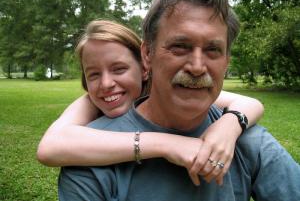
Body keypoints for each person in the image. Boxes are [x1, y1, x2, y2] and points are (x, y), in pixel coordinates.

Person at [58, 0, 300, 200]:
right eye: (180, 46)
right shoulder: (90, 162)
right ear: (147, 54)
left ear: (227, 61)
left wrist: (232, 123)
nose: (197, 67)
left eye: (212, 50)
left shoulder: (249, 142)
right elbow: (53, 145)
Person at [37, 19, 264, 185]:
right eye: (93, 74)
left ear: (145, 67)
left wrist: (228, 127)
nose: (106, 83)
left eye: (119, 69)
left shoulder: (165, 90)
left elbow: (251, 103)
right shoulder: (90, 102)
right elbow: (50, 148)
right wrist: (167, 144)